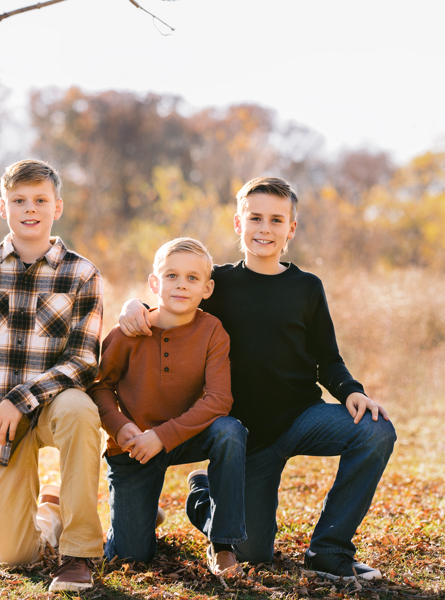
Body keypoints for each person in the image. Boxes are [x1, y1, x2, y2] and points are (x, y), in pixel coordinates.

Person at [119, 177, 396, 581]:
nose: (265, 229)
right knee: (253, 554)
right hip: (246, 439)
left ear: (291, 229)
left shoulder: (306, 287)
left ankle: (330, 551)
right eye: (256, 218)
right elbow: (174, 301)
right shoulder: (219, 284)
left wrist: (352, 391)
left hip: (302, 418)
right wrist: (135, 304)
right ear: (238, 223)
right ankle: (205, 495)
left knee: (375, 431)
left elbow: (327, 359)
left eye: (276, 220)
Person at [0, 159, 105, 593]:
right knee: (15, 556)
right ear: (3, 207)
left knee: (79, 410)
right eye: (19, 200)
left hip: (54, 405)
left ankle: (80, 554)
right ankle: (50, 513)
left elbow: (84, 360)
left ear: (58, 207)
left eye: (40, 200)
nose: (29, 208)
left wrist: (22, 398)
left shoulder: (81, 273)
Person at [90, 238, 248, 577]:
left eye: (193, 278)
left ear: (207, 288)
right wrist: (120, 427)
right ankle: (143, 512)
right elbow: (99, 386)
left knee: (230, 432)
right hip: (133, 446)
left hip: (186, 436)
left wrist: (163, 436)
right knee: (129, 559)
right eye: (172, 275)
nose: (181, 284)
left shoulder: (212, 331)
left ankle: (221, 542)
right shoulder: (128, 331)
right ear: (154, 283)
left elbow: (219, 399)